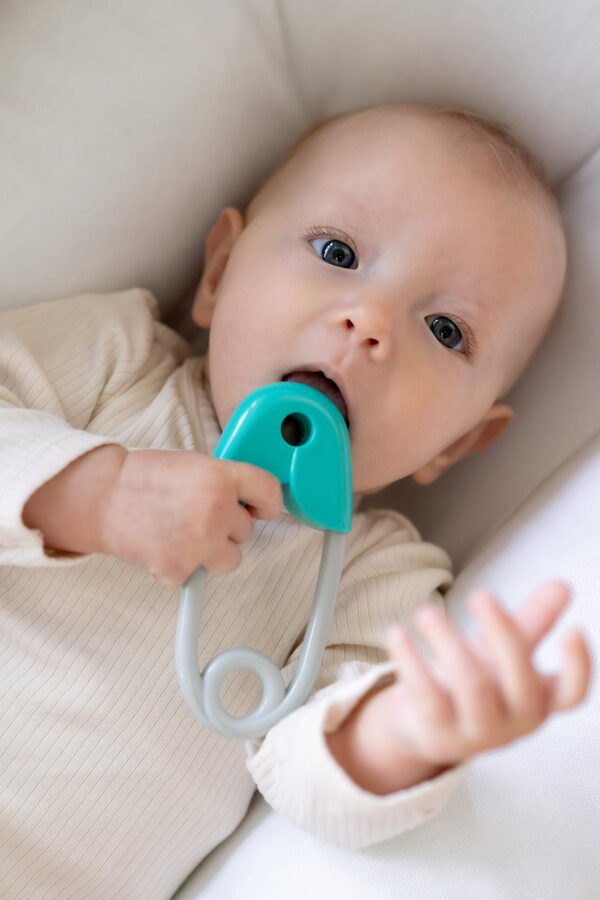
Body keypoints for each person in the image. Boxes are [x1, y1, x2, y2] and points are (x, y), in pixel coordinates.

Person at [0, 103, 592, 899]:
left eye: (446, 330)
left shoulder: (373, 572)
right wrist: (92, 494)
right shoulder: (118, 363)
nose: (369, 322)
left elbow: (312, 782)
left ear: (457, 444)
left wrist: (411, 732)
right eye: (338, 252)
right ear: (219, 273)